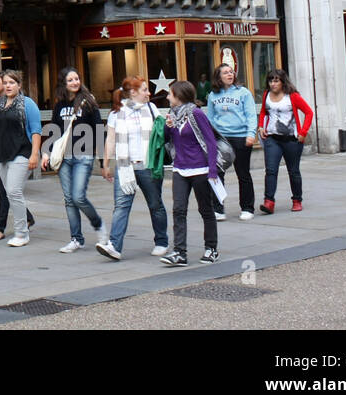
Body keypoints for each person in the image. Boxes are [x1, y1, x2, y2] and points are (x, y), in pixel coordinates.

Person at [99, 76, 168, 261]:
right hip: (125, 167)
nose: (149, 93)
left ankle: (161, 241)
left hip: (148, 166)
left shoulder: (152, 109)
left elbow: (162, 131)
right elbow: (110, 139)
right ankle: (114, 246)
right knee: (121, 207)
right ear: (133, 92)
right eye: (145, 89)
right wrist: (105, 163)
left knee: (155, 205)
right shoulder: (116, 113)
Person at [44, 67, 105, 252]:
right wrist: (46, 152)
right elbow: (54, 128)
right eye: (70, 80)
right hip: (64, 156)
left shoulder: (88, 101)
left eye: (77, 79)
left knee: (78, 197)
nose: (75, 82)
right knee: (69, 199)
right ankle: (76, 238)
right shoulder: (60, 104)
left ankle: (99, 225)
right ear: (64, 83)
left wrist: (102, 160)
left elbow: (98, 129)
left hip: (83, 155)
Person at [160, 80, 220, 266]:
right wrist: (168, 127)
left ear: (179, 96)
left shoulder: (196, 114)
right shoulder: (173, 114)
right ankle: (179, 252)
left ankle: (211, 248)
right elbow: (166, 139)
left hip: (200, 168)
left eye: (170, 94)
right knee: (179, 210)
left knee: (206, 210)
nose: (168, 97)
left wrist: (212, 169)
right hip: (180, 168)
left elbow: (211, 142)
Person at [0, 70, 42, 247]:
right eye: (5, 82)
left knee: (13, 191)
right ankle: (23, 226)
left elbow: (36, 130)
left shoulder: (27, 104)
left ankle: (22, 233)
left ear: (19, 85)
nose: (7, 86)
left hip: (22, 152)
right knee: (10, 193)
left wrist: (35, 154)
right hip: (1, 154)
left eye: (11, 83)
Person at [206, 63, 258, 221]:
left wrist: (251, 134)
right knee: (217, 174)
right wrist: (211, 138)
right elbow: (211, 118)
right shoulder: (212, 95)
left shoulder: (243, 93)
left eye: (231, 72)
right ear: (219, 77)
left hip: (241, 137)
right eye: (225, 73)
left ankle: (247, 207)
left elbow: (251, 115)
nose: (230, 75)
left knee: (243, 173)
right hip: (221, 138)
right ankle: (218, 209)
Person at [258, 68, 314, 213]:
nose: (273, 84)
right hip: (272, 138)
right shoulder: (266, 95)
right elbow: (264, 111)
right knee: (270, 170)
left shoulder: (293, 96)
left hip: (291, 140)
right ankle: (268, 201)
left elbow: (308, 112)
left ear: (283, 82)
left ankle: (297, 200)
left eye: (276, 81)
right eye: (270, 81)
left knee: (293, 171)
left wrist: (303, 132)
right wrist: (260, 127)